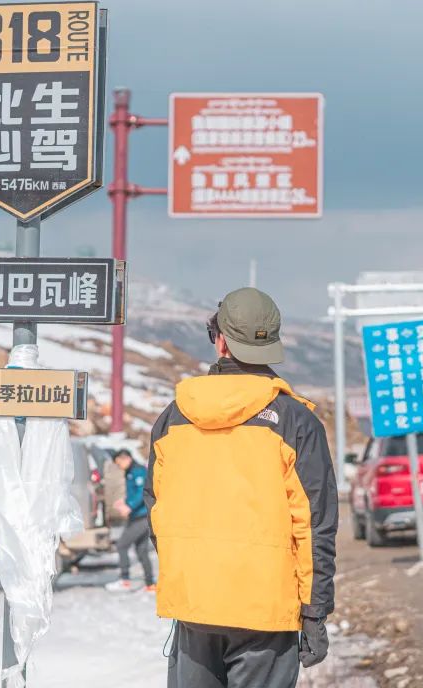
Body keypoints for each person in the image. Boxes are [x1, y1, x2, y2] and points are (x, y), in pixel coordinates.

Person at [145, 287, 338, 688]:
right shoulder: (295, 422)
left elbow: (155, 508)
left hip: (194, 605)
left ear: (220, 341)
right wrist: (314, 612)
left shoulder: (174, 418)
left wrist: (189, 569)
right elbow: (314, 526)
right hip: (265, 610)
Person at [105, 449, 156, 593]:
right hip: (139, 516)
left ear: (126, 458)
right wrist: (124, 502)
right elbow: (134, 493)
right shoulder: (130, 471)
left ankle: (124, 580)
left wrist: (129, 506)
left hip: (142, 517)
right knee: (141, 550)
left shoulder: (138, 471)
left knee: (122, 545)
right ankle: (150, 583)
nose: (119, 466)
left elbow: (142, 492)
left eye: (119, 463)